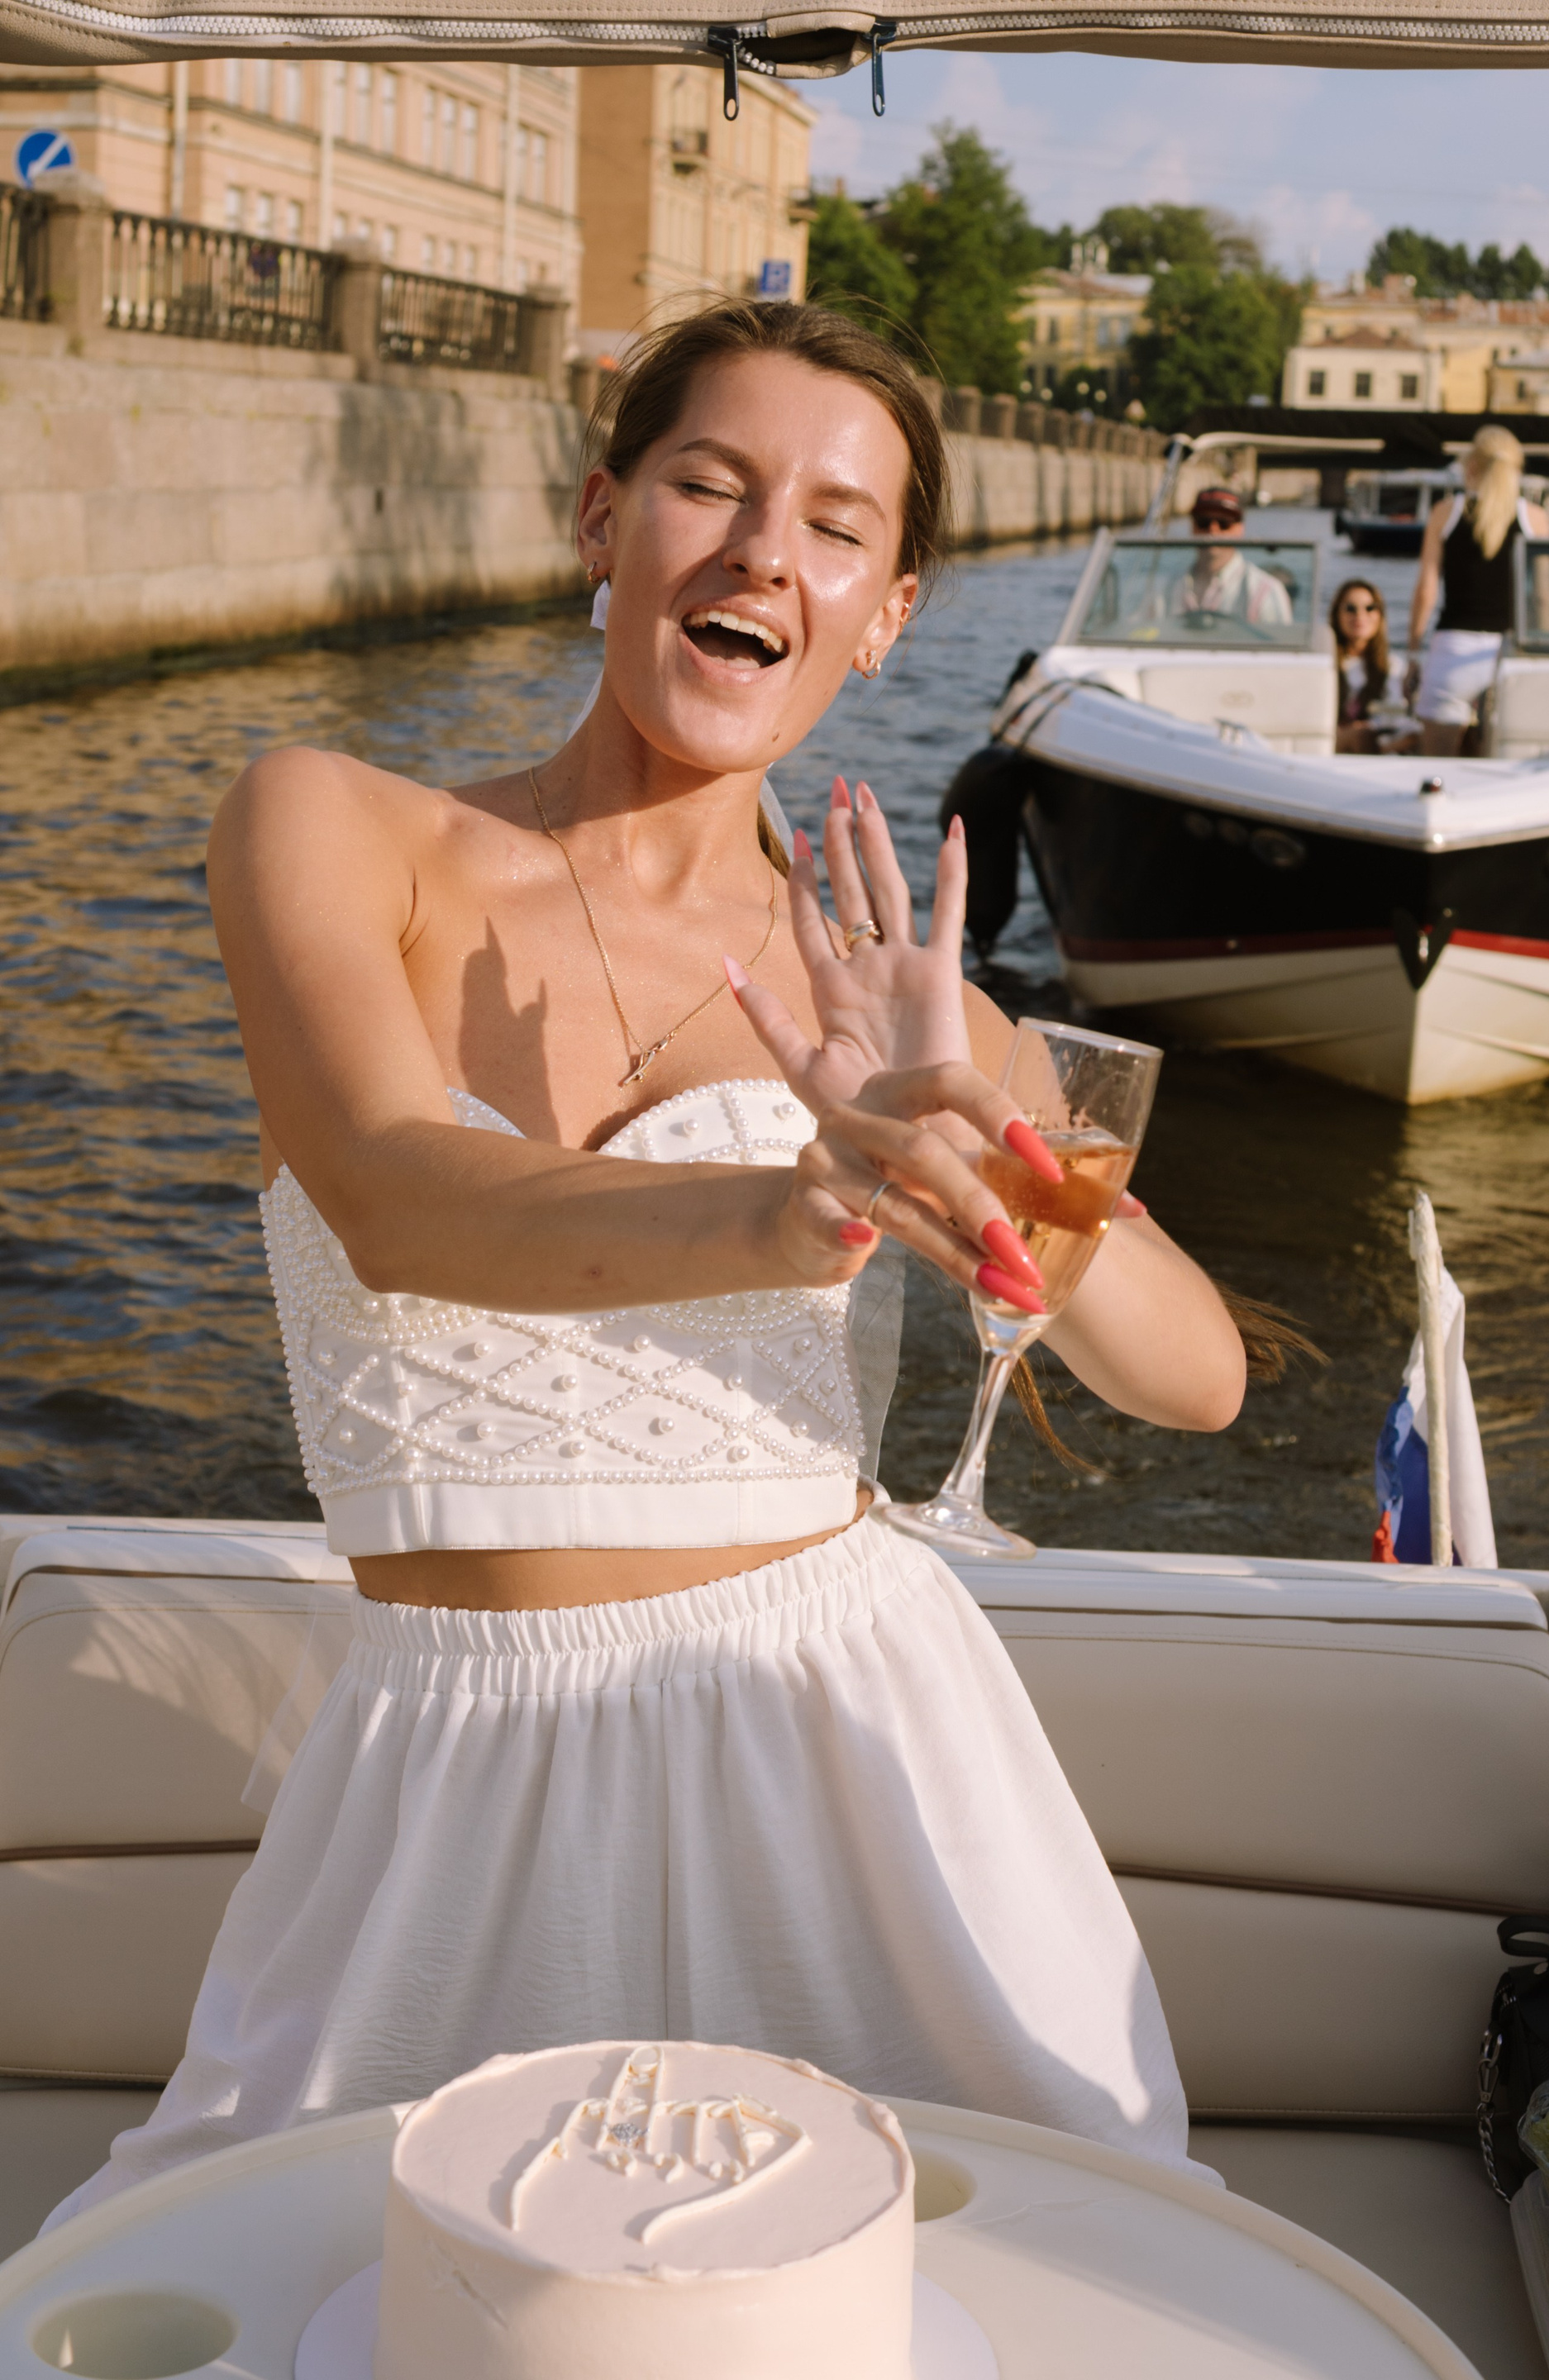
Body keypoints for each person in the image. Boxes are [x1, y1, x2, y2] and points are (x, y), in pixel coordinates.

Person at [50, 299, 1246, 2227]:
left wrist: (995, 1174)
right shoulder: (335, 827)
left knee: (983, 2291)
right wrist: (794, 1207)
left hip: (853, 1743)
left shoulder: (899, 1003)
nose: (767, 551)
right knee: (295, 2280)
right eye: (711, 485)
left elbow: (1192, 1376)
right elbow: (395, 1191)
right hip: (447, 1768)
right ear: (603, 517)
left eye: (834, 527)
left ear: (884, 614)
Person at [1408, 425, 1549, 757]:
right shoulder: (1535, 519)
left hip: (1453, 652)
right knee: (1504, 772)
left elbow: (1426, 591)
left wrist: (1413, 654)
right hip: (1509, 655)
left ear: (1471, 466)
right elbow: (1543, 599)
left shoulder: (1446, 512)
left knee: (1436, 768)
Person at [1168, 487, 1293, 628]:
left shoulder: (1266, 591)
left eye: (1224, 523)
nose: (1213, 530)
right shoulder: (1164, 588)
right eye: (1204, 522)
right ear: (1192, 526)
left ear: (1240, 528)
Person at [1329, 579, 1409, 753]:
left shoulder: (1392, 666)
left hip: (1381, 741)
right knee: (1361, 736)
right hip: (1334, 742)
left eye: (1370, 608)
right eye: (1350, 608)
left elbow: (1396, 713)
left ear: (1380, 615)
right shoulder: (1326, 662)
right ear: (1336, 615)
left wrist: (1371, 725)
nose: (1360, 615)